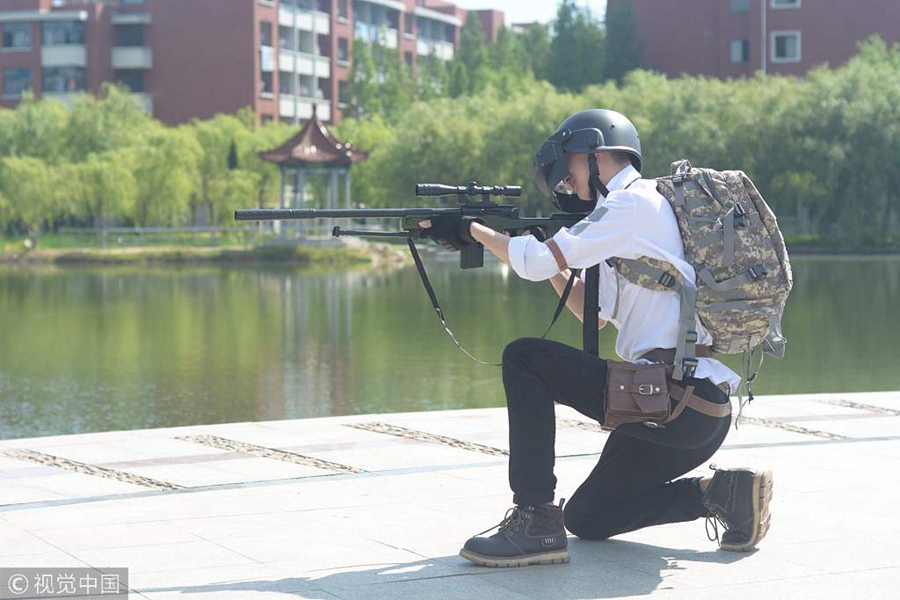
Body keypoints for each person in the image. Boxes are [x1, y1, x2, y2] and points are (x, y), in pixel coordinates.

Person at [421, 109, 773, 568]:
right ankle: (723, 494)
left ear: (596, 153)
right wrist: (541, 251)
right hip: (687, 409)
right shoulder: (639, 213)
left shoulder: (630, 206)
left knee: (524, 358)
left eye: (569, 164)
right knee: (588, 516)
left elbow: (533, 262)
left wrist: (473, 230)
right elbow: (595, 310)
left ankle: (534, 519)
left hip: (673, 399)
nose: (566, 179)